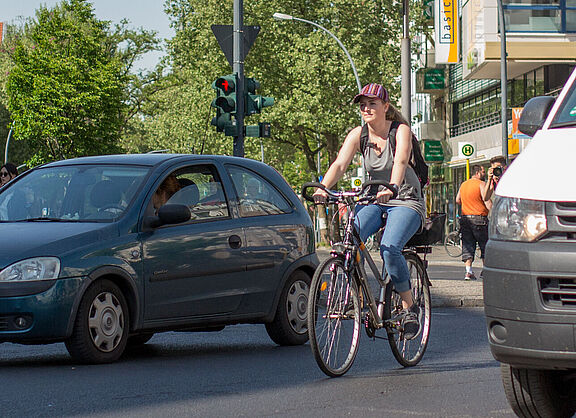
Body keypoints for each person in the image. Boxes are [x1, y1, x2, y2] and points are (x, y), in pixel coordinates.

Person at [312, 83, 425, 340]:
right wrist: (323, 188)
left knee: (389, 247)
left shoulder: (401, 131)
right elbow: (340, 164)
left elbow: (401, 160)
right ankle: (359, 298)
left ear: (385, 107)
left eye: (372, 103)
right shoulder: (358, 134)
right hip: (374, 198)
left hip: (405, 199)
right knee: (351, 236)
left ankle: (409, 307)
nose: (366, 108)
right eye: (363, 104)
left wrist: (393, 186)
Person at [455, 164, 489, 281]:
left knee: (468, 245)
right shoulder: (481, 184)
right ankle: (486, 270)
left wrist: (468, 203)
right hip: (479, 219)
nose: (484, 174)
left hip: (465, 219)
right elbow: (486, 200)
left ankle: (468, 272)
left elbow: (457, 200)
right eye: (483, 172)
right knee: (484, 244)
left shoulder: (463, 184)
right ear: (478, 173)